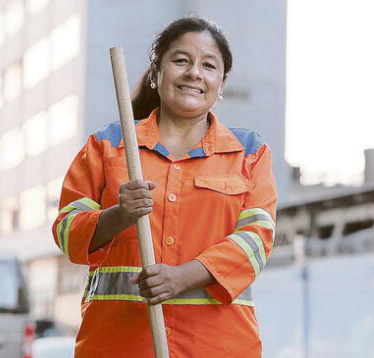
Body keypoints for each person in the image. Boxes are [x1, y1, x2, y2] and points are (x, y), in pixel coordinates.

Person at [52, 16, 277, 357]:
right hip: (117, 346)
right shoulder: (107, 146)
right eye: (181, 60)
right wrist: (118, 214)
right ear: (157, 74)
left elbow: (256, 241)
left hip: (218, 347)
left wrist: (184, 276)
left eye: (209, 65)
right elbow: (67, 232)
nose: (194, 73)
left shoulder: (249, 153)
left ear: (221, 83)